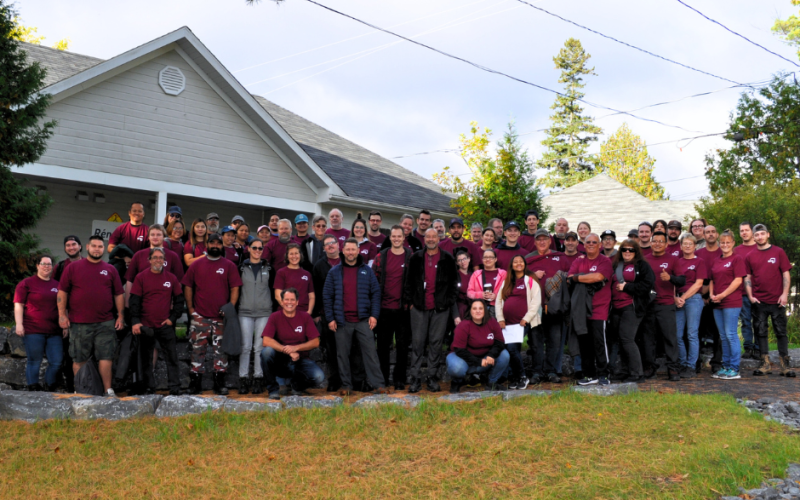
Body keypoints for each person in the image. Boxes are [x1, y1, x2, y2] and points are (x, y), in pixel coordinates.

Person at [58, 235, 125, 396]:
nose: (97, 249)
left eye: (100, 246)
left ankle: (107, 390)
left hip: (105, 322)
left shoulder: (110, 269)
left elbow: (119, 294)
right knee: (79, 358)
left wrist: (121, 316)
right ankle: (80, 390)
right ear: (86, 247)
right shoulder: (73, 268)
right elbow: (62, 292)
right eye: (94, 246)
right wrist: (62, 314)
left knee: (106, 357)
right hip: (79, 322)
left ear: (104, 249)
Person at [323, 238, 388, 396]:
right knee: (342, 355)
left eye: (353, 249)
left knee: (371, 353)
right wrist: (330, 318)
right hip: (342, 322)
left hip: (363, 320)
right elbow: (327, 296)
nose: (351, 252)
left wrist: (374, 315)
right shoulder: (334, 272)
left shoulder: (367, 270)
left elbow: (375, 294)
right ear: (343, 251)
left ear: (358, 251)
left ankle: (378, 384)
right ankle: (346, 385)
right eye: (348, 249)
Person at [181, 233, 243, 395]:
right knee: (197, 350)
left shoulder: (229, 265)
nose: (215, 246)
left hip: (221, 317)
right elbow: (188, 285)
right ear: (207, 245)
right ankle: (195, 383)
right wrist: (191, 309)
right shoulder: (197, 264)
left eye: (218, 243)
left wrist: (230, 307)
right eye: (212, 243)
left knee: (221, 353)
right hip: (200, 316)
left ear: (222, 245)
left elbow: (235, 287)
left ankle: (219, 383)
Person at [405, 228, 460, 393]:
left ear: (439, 238)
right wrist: (411, 303)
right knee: (417, 343)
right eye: (427, 236)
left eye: (433, 236)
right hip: (419, 307)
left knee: (436, 344)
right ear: (424, 238)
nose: (430, 239)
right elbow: (408, 281)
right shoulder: (416, 257)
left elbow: (454, 284)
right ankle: (415, 378)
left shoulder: (447, 258)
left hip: (440, 309)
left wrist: (448, 301)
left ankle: (431, 378)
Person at [129, 247, 185, 396]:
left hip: (165, 325)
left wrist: (172, 319)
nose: (158, 260)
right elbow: (134, 301)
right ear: (149, 260)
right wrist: (135, 321)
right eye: (155, 257)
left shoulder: (171, 278)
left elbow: (179, 301)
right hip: (146, 326)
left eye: (161, 258)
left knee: (172, 358)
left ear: (164, 261)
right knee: (146, 359)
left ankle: (174, 387)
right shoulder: (141, 277)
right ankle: (149, 388)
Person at [746, 224, 795, 377]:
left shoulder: (778, 252)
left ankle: (784, 365)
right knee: (760, 332)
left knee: (781, 332)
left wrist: (785, 294)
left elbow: (786, 274)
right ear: (753, 237)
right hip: (759, 301)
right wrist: (750, 296)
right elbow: (747, 277)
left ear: (768, 235)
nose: (759, 237)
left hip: (777, 300)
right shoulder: (750, 256)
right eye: (757, 235)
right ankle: (765, 364)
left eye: (762, 234)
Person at [260, 288, 325, 399]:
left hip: (299, 359)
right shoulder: (275, 317)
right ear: (282, 301)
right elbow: (266, 340)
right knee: (266, 352)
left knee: (318, 377)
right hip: (280, 360)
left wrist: (295, 348)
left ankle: (297, 385)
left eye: (292, 300)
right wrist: (287, 350)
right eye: (286, 299)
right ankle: (273, 390)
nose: (289, 303)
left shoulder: (305, 317)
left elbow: (315, 342)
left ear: (297, 302)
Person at [14, 255, 64, 392]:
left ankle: (49, 386)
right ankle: (33, 387)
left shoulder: (57, 284)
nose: (46, 266)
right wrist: (19, 324)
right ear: (37, 265)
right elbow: (18, 304)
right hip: (33, 330)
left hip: (54, 331)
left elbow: (62, 306)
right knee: (34, 361)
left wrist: (64, 323)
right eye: (43, 264)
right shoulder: (26, 283)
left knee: (57, 362)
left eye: (49, 264)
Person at [568, 233, 613, 386]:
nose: (591, 244)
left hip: (599, 309)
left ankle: (604, 374)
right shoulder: (578, 261)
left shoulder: (605, 261)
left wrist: (578, 277)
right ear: (584, 245)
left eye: (595, 242)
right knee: (585, 344)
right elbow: (569, 278)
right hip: (581, 309)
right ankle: (589, 374)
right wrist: (584, 277)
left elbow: (598, 277)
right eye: (588, 242)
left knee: (600, 343)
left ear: (600, 245)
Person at [526, 228, 571, 381]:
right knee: (536, 341)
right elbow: (517, 278)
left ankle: (551, 371)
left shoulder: (560, 257)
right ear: (535, 242)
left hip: (554, 306)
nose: (542, 242)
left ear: (550, 241)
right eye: (539, 239)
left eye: (545, 239)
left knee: (554, 340)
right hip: (535, 307)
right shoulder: (527, 259)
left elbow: (569, 277)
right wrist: (532, 274)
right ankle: (537, 372)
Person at [607, 240, 654, 383]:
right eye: (624, 250)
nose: (627, 252)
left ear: (636, 252)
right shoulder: (616, 265)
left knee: (627, 339)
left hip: (632, 306)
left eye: (631, 250)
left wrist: (627, 287)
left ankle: (637, 373)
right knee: (620, 340)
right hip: (616, 307)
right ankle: (624, 370)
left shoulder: (642, 266)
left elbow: (647, 284)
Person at [372, 225, 412, 389]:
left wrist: (411, 303)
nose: (396, 239)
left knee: (403, 346)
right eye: (393, 236)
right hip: (384, 308)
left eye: (399, 236)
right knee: (383, 346)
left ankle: (399, 379)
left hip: (403, 309)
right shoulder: (381, 256)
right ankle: (383, 378)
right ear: (390, 238)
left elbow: (415, 281)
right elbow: (374, 282)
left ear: (404, 238)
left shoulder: (410, 256)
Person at [640, 231, 683, 381]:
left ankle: (673, 368)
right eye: (655, 241)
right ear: (651, 243)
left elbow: (682, 280)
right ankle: (650, 367)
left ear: (666, 244)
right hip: (649, 305)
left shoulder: (673, 259)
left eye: (660, 241)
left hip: (666, 304)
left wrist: (670, 278)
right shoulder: (644, 260)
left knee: (669, 337)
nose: (657, 244)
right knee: (648, 338)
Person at [495, 256, 541, 390]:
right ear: (512, 265)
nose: (518, 263)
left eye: (521, 261)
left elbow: (536, 302)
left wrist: (526, 318)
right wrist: (500, 318)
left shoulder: (530, 281)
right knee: (511, 350)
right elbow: (499, 301)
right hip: (508, 324)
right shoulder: (507, 282)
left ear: (525, 264)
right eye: (515, 262)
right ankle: (516, 378)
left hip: (523, 323)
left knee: (512, 349)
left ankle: (522, 376)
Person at [447, 299, 510, 393]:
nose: (478, 311)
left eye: (480, 308)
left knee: (504, 355)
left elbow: (500, 342)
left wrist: (491, 355)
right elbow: (459, 350)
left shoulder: (492, 322)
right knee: (457, 367)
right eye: (474, 308)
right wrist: (478, 361)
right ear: (470, 311)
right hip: (463, 357)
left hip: (485, 357)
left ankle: (492, 382)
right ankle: (457, 382)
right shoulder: (464, 325)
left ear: (485, 310)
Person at [708, 230, 746, 380]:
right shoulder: (717, 260)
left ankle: (734, 368)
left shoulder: (737, 259)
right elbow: (712, 280)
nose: (724, 245)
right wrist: (712, 295)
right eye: (722, 242)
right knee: (723, 336)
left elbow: (738, 280)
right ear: (719, 244)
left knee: (731, 334)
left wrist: (723, 295)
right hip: (717, 302)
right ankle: (726, 366)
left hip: (731, 301)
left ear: (733, 243)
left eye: (727, 242)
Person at [312, 234, 349, 391]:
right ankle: (334, 380)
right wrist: (317, 313)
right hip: (328, 313)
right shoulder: (319, 265)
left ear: (338, 244)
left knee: (349, 348)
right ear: (324, 248)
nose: (330, 246)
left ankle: (350, 379)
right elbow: (316, 290)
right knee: (331, 349)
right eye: (327, 245)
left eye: (333, 243)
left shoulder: (348, 260)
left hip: (348, 311)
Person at [236, 238, 271, 395]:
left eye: (260, 248)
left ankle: (258, 378)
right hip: (245, 312)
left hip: (264, 312)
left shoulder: (269, 268)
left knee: (259, 347)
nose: (257, 250)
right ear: (248, 249)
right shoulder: (241, 268)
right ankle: (243, 379)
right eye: (254, 248)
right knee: (245, 347)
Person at [673, 233, 706, 379]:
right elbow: (672, 282)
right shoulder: (677, 262)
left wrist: (684, 297)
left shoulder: (699, 262)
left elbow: (699, 283)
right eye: (684, 244)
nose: (687, 246)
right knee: (678, 334)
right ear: (681, 246)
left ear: (695, 246)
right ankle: (682, 362)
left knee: (692, 334)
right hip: (678, 300)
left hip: (693, 299)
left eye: (690, 244)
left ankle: (691, 366)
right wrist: (675, 298)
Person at [53, 235, 82, 392]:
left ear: (80, 246)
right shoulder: (60, 267)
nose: (71, 247)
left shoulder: (88, 264)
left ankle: (85, 384)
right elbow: (56, 292)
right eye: (68, 245)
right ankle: (70, 386)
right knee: (68, 354)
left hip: (86, 317)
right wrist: (61, 315)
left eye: (74, 244)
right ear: (65, 248)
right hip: (67, 317)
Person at [124, 225, 185, 297]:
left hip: (165, 301)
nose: (155, 237)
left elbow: (179, 281)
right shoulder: (139, 255)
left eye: (158, 235)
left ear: (164, 237)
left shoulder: (173, 256)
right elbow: (129, 280)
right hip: (141, 301)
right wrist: (128, 304)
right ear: (148, 237)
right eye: (152, 235)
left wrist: (174, 301)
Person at [696, 225, 722, 373]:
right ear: (703, 235)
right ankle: (696, 362)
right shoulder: (698, 253)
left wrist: (712, 296)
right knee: (696, 331)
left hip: (719, 298)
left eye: (713, 232)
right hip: (699, 298)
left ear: (717, 234)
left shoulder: (723, 252)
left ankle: (717, 362)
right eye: (707, 232)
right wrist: (703, 296)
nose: (710, 234)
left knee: (718, 332)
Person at [735, 221, 759, 359]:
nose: (744, 232)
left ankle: (759, 348)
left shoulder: (760, 247)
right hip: (742, 292)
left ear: (752, 232)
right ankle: (748, 347)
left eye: (746, 230)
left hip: (760, 292)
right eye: (742, 230)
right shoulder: (737, 250)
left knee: (759, 322)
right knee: (745, 321)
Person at [274, 243, 315, 315]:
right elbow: (278, 295)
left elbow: (311, 296)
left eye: (296, 253)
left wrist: (309, 311)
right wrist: (288, 309)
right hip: (285, 313)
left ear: (300, 255)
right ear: (287, 256)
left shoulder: (307, 274)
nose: (294, 256)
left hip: (303, 312)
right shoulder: (281, 272)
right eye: (291, 254)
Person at [467, 249, 506, 317]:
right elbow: (469, 292)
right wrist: (480, 295)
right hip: (480, 309)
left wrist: (496, 296)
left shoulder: (503, 274)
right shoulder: (476, 274)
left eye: (491, 257)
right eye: (485, 257)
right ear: (482, 259)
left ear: (495, 259)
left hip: (498, 308)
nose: (488, 259)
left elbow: (508, 291)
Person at [454, 248, 474, 322]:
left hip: (472, 307)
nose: (463, 262)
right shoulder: (455, 276)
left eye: (464, 259)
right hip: (461, 309)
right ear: (457, 263)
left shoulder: (473, 275)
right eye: (460, 260)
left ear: (469, 259)